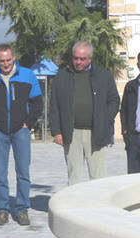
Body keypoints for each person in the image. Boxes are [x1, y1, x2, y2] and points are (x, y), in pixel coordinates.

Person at [0, 44, 43, 226]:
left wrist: (27, 124)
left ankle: (22, 209)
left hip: (20, 131)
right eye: (1, 61)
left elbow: (38, 103)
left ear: (13, 58)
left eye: (8, 60)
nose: (5, 64)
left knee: (23, 173)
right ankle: (2, 210)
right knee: (0, 173)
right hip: (0, 133)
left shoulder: (28, 76)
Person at [50, 40, 120, 185]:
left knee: (98, 176)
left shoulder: (103, 75)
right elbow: (54, 105)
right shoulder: (62, 76)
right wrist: (56, 132)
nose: (78, 62)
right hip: (71, 133)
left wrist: (105, 119)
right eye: (75, 58)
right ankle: (75, 206)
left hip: (96, 133)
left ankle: (96, 206)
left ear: (90, 59)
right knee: (73, 176)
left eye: (83, 59)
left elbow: (114, 100)